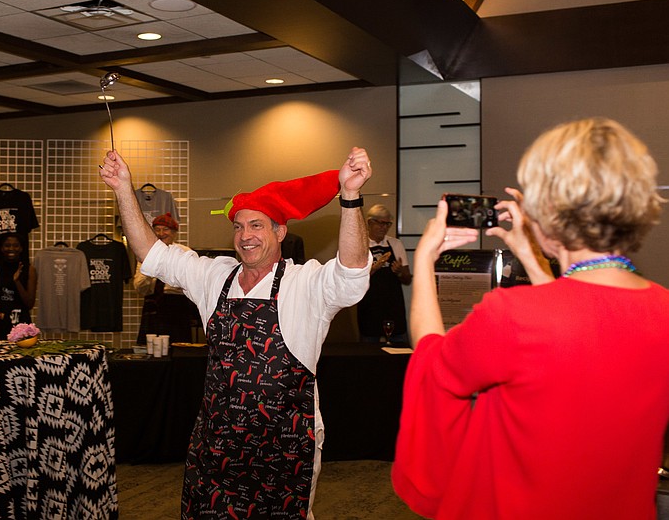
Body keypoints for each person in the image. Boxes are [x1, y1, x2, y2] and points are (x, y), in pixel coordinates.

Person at [392, 118, 669, 519]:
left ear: (549, 212)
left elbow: (433, 360)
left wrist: (424, 260)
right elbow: (580, 314)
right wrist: (532, 253)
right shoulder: (661, 307)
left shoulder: (513, 315)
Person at [100, 147, 373, 519]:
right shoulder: (215, 276)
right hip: (216, 443)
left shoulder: (306, 282)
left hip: (285, 443)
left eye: (257, 225)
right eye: (239, 226)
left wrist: (351, 198)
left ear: (280, 230)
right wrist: (122, 189)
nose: (245, 236)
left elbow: (352, 274)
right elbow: (151, 252)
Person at [134, 213, 200, 344]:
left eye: (165, 229)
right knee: (151, 350)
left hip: (178, 307)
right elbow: (138, 287)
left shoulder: (185, 253)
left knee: (179, 350)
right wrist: (149, 266)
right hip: (153, 308)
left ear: (174, 232)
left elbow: (195, 283)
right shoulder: (146, 254)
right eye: (157, 229)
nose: (161, 233)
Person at [356, 205, 411, 344]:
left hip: (393, 307)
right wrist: (374, 268)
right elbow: (353, 279)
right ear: (369, 223)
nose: (384, 227)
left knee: (400, 350)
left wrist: (399, 272)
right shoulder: (360, 245)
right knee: (368, 352)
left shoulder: (395, 244)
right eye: (380, 223)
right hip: (369, 307)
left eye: (387, 224)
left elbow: (407, 279)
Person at [0, 232, 37, 342]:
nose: (11, 248)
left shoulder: (29, 269)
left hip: (20, 324)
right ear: (2, 248)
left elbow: (29, 303)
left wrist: (16, 281)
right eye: (7, 245)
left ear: (21, 248)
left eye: (16, 245)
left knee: (21, 358)